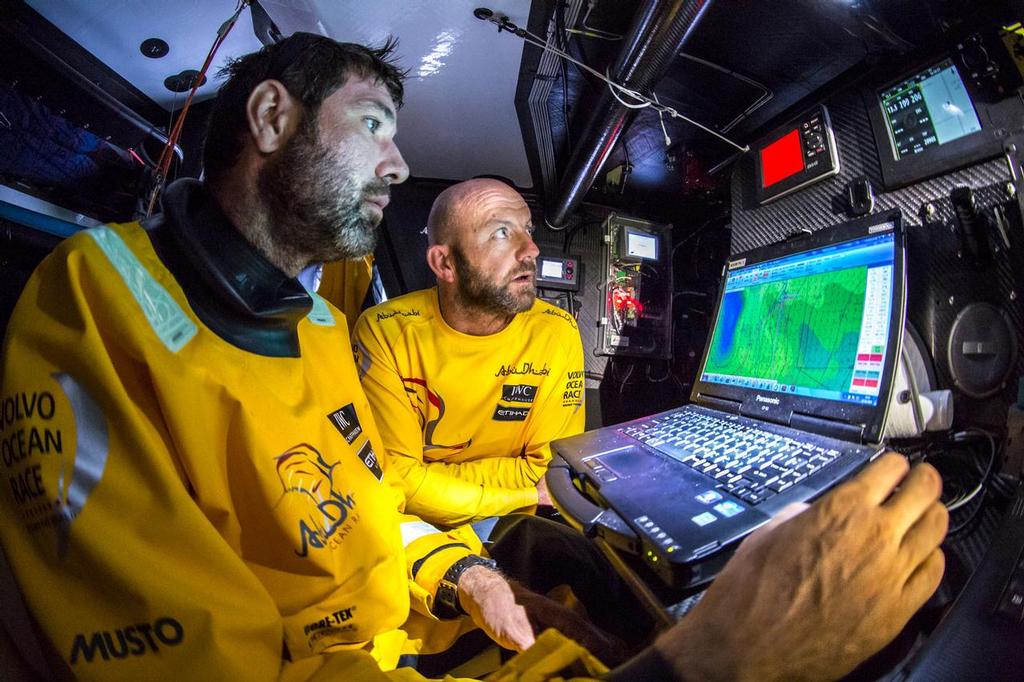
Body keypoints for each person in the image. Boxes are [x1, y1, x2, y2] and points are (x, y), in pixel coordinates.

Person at [0, 32, 948, 681]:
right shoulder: (98, 303)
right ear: (271, 118)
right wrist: (707, 668)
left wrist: (456, 575)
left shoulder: (317, 328)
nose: (400, 163)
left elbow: (366, 513)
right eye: (373, 124)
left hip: (421, 615)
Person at [351, 178, 580, 526]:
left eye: (527, 229)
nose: (530, 248)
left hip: (510, 523)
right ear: (445, 264)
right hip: (417, 523)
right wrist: (525, 495)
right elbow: (396, 480)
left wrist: (431, 477)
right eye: (501, 233)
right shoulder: (384, 331)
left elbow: (547, 470)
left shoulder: (557, 332)